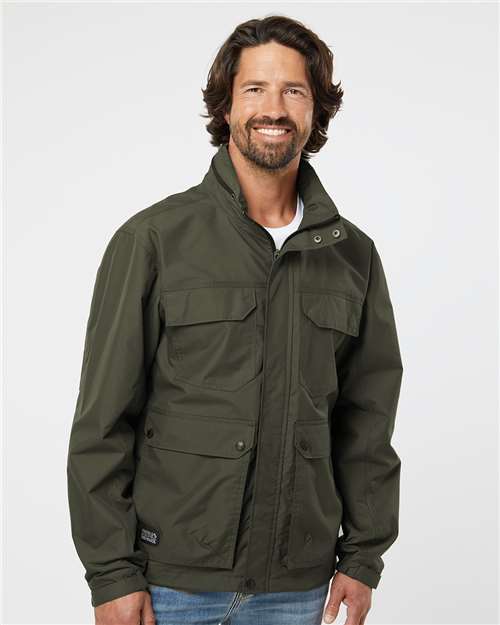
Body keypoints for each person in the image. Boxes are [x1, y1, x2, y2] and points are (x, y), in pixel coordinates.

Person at [66, 14, 403, 625]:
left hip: (300, 589)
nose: (273, 108)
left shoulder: (353, 256)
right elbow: (102, 422)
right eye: (254, 89)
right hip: (170, 587)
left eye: (293, 90)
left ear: (316, 111)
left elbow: (367, 424)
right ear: (225, 106)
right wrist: (111, 574)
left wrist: (362, 558)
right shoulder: (153, 240)